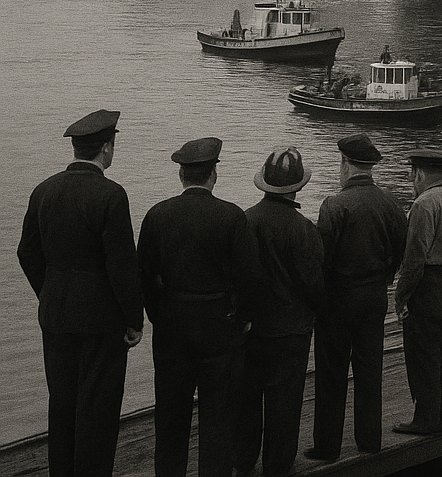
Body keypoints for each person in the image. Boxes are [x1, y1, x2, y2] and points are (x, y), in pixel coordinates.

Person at [17, 110, 143, 477]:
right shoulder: (111, 195)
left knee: (62, 403)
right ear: (106, 148)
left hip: (56, 314)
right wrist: (133, 319)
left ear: (76, 149)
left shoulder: (43, 190)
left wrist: (49, 290)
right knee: (98, 409)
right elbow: (121, 264)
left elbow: (26, 252)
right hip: (101, 320)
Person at [138, 137, 262, 477]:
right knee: (218, 416)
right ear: (213, 176)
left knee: (170, 414)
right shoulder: (232, 216)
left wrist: (157, 315)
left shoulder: (157, 214)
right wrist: (244, 318)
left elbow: (144, 275)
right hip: (220, 325)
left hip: (172, 326)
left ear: (181, 175)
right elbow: (250, 276)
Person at [309, 135, 407, 460]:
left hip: (338, 300)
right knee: (369, 370)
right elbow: (401, 250)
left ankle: (327, 446)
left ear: (345, 165)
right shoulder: (390, 203)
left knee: (331, 373)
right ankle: (370, 440)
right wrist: (384, 277)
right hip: (374, 297)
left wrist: (319, 298)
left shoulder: (334, 205)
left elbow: (321, 260)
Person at [235, 147, 324, 477]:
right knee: (285, 401)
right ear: (297, 187)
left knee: (247, 397)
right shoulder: (304, 229)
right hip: (291, 330)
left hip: (252, 329)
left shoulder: (244, 220)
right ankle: (278, 464)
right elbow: (314, 283)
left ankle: (243, 460)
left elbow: (237, 276)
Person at [394, 149, 442, 436]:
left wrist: (401, 295)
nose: (410, 180)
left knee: (424, 352)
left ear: (420, 173)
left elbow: (415, 256)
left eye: (411, 174)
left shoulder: (423, 204)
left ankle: (426, 417)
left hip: (429, 283)